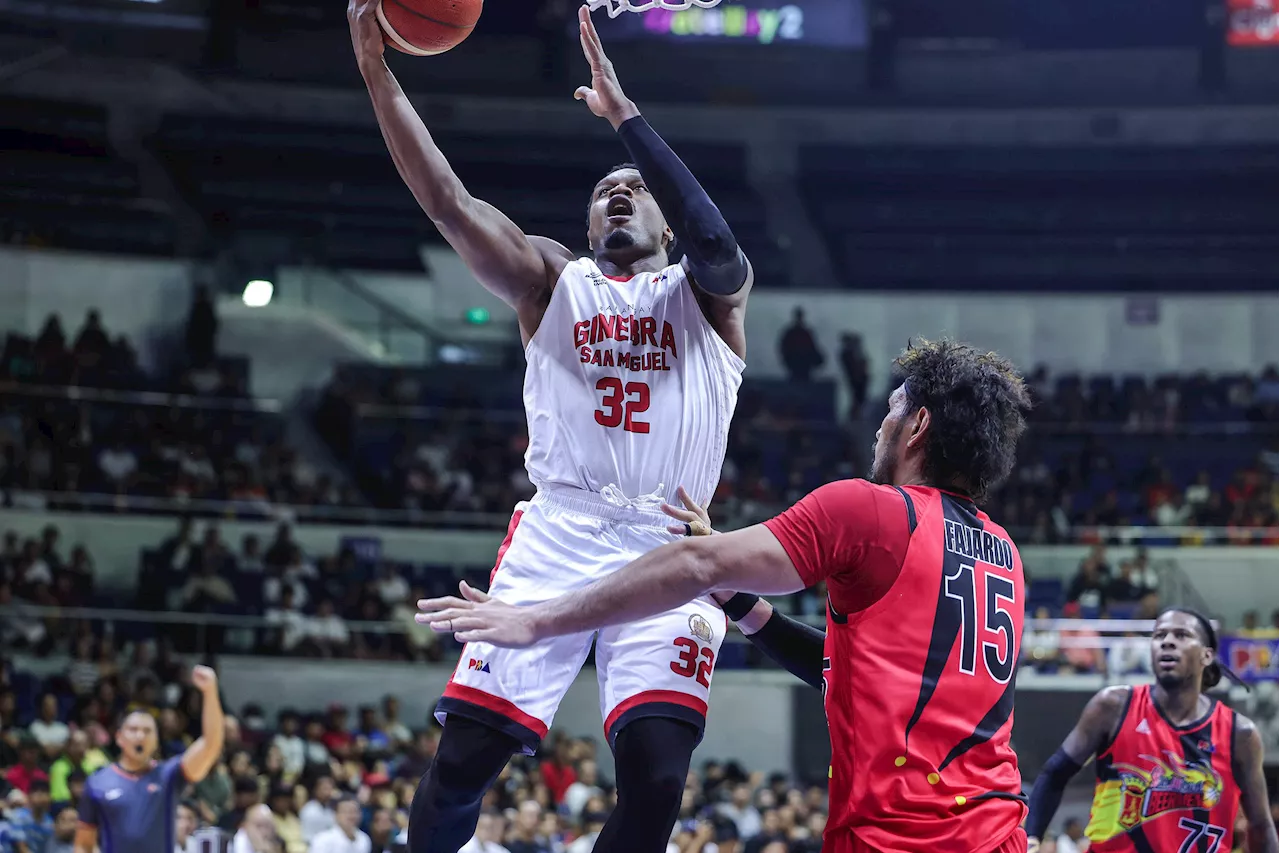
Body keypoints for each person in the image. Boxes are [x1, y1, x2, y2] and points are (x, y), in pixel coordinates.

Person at [348, 0, 752, 850]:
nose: (618, 196)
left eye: (635, 191)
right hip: (560, 530)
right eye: (605, 191)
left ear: (663, 221)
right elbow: (450, 202)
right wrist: (377, 71)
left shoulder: (709, 296)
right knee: (463, 760)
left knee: (653, 782)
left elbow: (715, 237)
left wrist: (627, 123)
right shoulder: (551, 282)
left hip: (669, 542)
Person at [420, 339, 1034, 853]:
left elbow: (693, 560)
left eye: (894, 408)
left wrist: (536, 620)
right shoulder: (1002, 553)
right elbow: (856, 670)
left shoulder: (872, 511)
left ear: (918, 425)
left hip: (903, 833)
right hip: (999, 826)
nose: (881, 423)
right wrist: (739, 600)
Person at [1024, 609, 1279, 853]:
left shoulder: (1239, 734)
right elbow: (1054, 774)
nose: (1167, 642)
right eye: (1159, 635)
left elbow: (1260, 826)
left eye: (1182, 635)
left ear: (1207, 655)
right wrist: (1032, 838)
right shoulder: (1113, 707)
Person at [75, 666, 226, 853]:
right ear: (119, 737)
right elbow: (83, 844)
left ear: (155, 742)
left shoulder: (169, 775)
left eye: (147, 731)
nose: (140, 736)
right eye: (133, 730)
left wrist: (210, 691)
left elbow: (211, 745)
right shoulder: (98, 782)